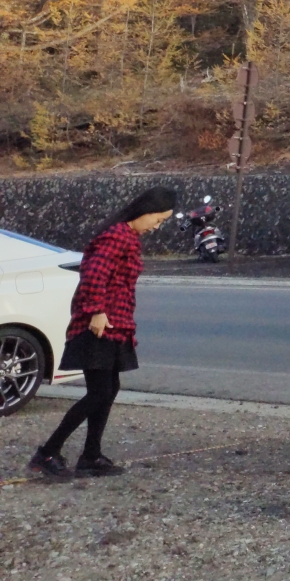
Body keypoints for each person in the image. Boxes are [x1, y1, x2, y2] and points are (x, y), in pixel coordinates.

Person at [27, 186, 176, 480]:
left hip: (116, 325)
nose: (157, 227)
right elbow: (94, 272)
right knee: (99, 392)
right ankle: (47, 452)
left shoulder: (127, 237)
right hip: (99, 325)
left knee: (108, 389)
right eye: (157, 219)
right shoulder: (116, 236)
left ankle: (90, 456)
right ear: (144, 212)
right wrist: (96, 309)